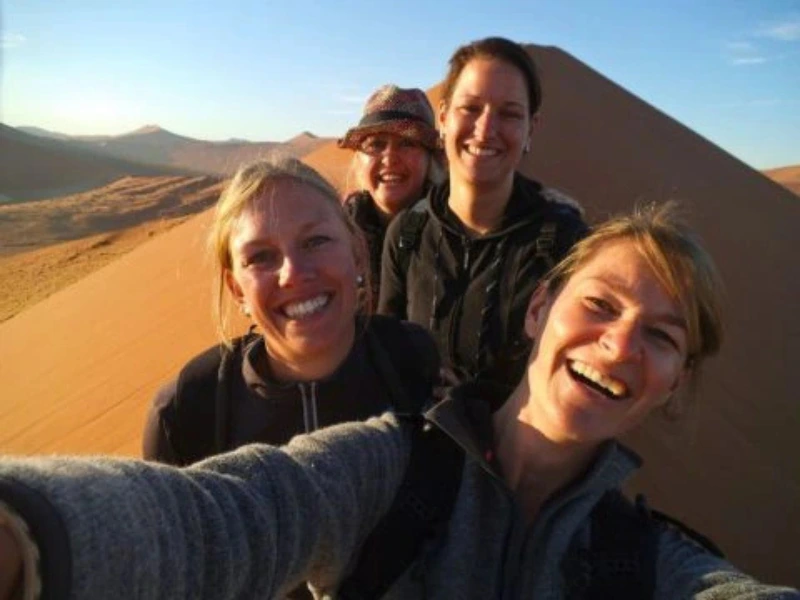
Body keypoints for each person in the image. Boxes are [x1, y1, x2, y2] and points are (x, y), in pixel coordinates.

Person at [1, 202, 798, 599]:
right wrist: (28, 536)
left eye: (662, 338)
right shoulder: (389, 469)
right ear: (538, 309)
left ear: (676, 383)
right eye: (600, 305)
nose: (621, 345)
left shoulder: (648, 563)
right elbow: (231, 514)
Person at [142, 155, 439, 466]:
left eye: (316, 241)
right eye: (260, 257)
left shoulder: (415, 360)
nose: (293, 273)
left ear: (356, 250)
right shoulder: (185, 412)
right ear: (237, 289)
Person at [378, 37, 588, 390]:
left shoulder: (567, 243)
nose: (486, 129)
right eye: (471, 108)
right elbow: (385, 359)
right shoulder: (407, 233)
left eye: (509, 113)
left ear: (530, 129)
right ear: (443, 117)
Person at [338, 84, 444, 306]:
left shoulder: (453, 233)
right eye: (376, 144)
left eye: (407, 143)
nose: (390, 158)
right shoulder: (334, 231)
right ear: (359, 160)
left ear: (430, 159)